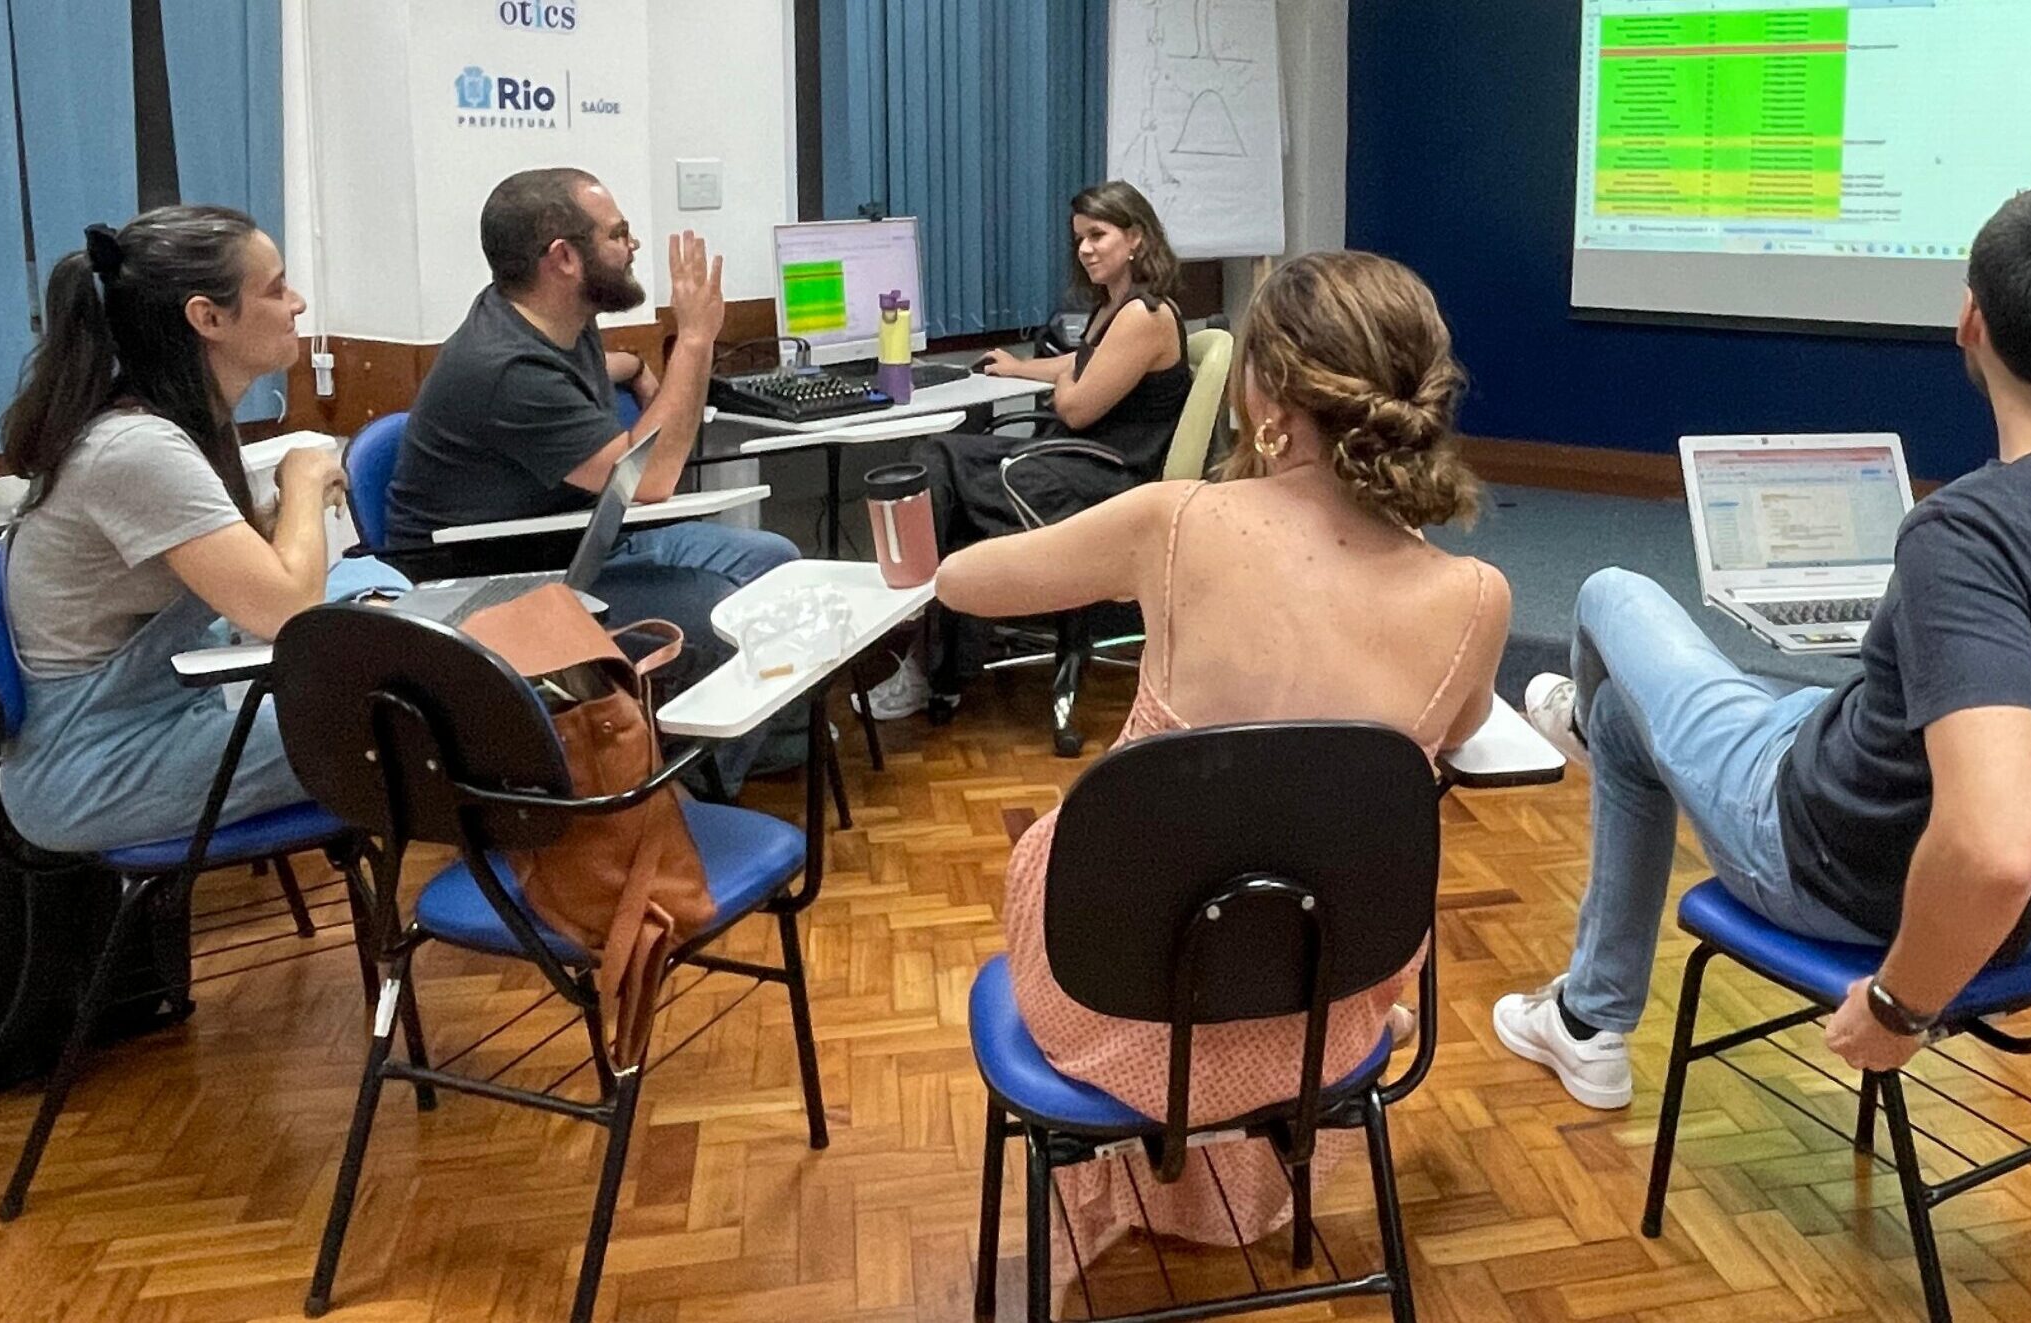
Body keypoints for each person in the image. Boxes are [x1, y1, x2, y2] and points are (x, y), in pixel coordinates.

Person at [1495, 187, 2031, 1108]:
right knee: (1734, 707)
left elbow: (1998, 849)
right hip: (2002, 880)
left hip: (1836, 869)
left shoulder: (1968, 535)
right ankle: (1587, 978)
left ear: (1970, 322)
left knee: (1613, 597)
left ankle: (1590, 982)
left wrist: (1898, 1007)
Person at [936, 251, 1510, 1259]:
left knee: (1077, 849)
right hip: (1326, 1004)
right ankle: (1342, 1057)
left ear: (1266, 392)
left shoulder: (1176, 522)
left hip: (1114, 997)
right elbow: (1453, 741)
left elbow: (961, 584)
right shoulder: (1477, 597)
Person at [0, 206, 409, 853]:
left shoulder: (171, 426)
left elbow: (239, 576)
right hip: (93, 765)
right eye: (275, 289)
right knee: (415, 721)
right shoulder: (135, 447)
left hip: (158, 721)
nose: (297, 302)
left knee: (396, 638)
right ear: (207, 317)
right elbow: (288, 608)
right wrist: (302, 480)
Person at [386, 167, 798, 785]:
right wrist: (693, 341)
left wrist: (633, 368)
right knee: (716, 615)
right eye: (618, 234)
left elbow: (580, 373)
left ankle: (731, 748)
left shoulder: (544, 321)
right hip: (499, 588)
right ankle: (690, 803)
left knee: (776, 560)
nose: (631, 247)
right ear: (564, 258)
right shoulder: (504, 369)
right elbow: (652, 478)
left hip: (576, 545)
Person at [876, 180, 1194, 719]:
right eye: (1079, 239)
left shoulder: (1145, 315)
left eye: (1099, 235)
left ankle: (922, 645)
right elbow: (1083, 367)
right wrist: (1022, 368)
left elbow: (1075, 406)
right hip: (1074, 462)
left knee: (944, 468)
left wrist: (1063, 382)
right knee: (941, 462)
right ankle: (936, 659)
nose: (1085, 249)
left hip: (1107, 480)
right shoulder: (1113, 307)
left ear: (1136, 237)